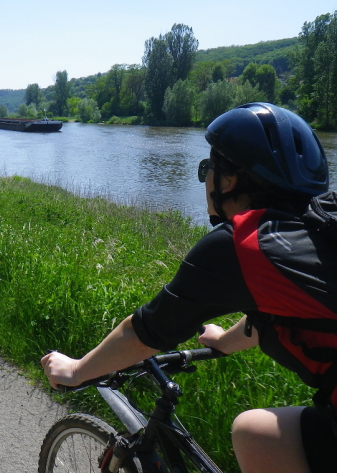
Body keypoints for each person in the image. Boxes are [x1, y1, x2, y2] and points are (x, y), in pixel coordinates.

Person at [41, 102, 337, 473]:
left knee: (253, 432)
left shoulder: (241, 246)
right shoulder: (320, 228)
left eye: (206, 170)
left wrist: (76, 370)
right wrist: (224, 342)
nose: (206, 180)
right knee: (260, 434)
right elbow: (289, 312)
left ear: (229, 180)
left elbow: (147, 331)